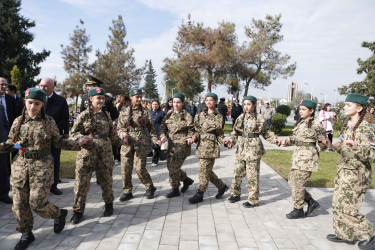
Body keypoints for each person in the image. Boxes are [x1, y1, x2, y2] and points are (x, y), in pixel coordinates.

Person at [0, 88, 91, 249]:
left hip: (42, 167)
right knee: (19, 204)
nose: (32, 107)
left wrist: (77, 143)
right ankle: (26, 233)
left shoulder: (48, 122)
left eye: (37, 103)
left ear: (42, 104)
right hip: (21, 167)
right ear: (25, 103)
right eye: (30, 103)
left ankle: (58, 214)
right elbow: (13, 143)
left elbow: (58, 142)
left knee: (37, 203)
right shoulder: (18, 121)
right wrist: (20, 148)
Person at [325, 94, 375, 249]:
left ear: (359, 108)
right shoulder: (348, 125)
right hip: (344, 171)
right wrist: (332, 146)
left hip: (357, 174)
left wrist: (358, 148)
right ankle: (344, 234)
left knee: (348, 209)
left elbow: (373, 153)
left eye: (348, 105)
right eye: (345, 105)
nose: (344, 107)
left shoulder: (366, 127)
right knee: (338, 205)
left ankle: (369, 234)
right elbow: (344, 148)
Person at [70, 87, 125, 224]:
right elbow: (74, 133)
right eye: (98, 98)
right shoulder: (83, 115)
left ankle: (109, 204)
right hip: (87, 153)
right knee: (81, 183)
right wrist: (82, 138)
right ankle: (78, 211)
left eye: (102, 98)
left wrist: (122, 142)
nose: (101, 100)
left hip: (104, 153)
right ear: (90, 99)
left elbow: (112, 135)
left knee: (106, 180)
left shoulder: (106, 115)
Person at [278, 99, 327, 219]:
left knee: (298, 184)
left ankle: (298, 209)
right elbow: (295, 139)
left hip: (307, 158)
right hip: (297, 156)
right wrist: (284, 142)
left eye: (304, 109)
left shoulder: (316, 124)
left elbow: (323, 144)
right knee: (292, 182)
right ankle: (310, 201)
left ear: (311, 111)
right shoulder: (300, 123)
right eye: (300, 109)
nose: (301, 111)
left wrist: (324, 142)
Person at [227, 95, 278, 207]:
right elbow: (235, 132)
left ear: (254, 105)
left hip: (253, 149)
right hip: (242, 148)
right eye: (244, 104)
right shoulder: (241, 118)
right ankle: (235, 194)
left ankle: (253, 199)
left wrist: (275, 140)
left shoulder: (259, 118)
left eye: (248, 104)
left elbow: (266, 133)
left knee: (252, 175)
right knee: (237, 173)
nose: (246, 107)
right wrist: (231, 141)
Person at [117, 88, 161, 202]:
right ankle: (127, 191)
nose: (139, 99)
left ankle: (150, 187)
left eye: (141, 97)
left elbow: (151, 128)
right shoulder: (124, 111)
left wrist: (155, 139)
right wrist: (123, 134)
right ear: (131, 97)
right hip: (127, 143)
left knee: (139, 168)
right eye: (137, 97)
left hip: (141, 142)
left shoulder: (145, 112)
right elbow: (119, 128)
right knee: (125, 168)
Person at [188, 93, 229, 204]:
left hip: (211, 146)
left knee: (203, 170)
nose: (208, 102)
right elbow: (196, 129)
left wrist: (224, 142)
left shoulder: (219, 116)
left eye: (211, 100)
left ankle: (200, 193)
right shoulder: (201, 115)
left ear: (215, 102)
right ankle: (222, 187)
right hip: (201, 145)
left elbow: (220, 133)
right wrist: (194, 136)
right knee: (207, 171)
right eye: (207, 100)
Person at [39, 78, 70, 195]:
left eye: (46, 86)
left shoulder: (61, 100)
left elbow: (65, 118)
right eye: (41, 86)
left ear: (52, 87)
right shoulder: (37, 100)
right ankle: (43, 185)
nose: (43, 88)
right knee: (41, 162)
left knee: (55, 161)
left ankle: (54, 185)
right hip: (40, 137)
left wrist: (61, 131)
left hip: (56, 136)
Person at [160, 93, 195, 198]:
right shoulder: (169, 115)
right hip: (171, 145)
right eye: (174, 102)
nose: (176, 104)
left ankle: (175, 188)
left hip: (181, 146)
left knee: (173, 168)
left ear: (183, 103)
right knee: (170, 167)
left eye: (178, 102)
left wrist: (190, 138)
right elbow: (162, 127)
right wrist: (162, 136)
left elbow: (192, 130)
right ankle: (186, 179)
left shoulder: (187, 116)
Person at [149, 99, 166, 167]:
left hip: (159, 132)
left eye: (156, 104)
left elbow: (166, 124)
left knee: (156, 146)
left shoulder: (162, 113)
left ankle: (155, 161)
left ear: (159, 105)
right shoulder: (148, 113)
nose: (155, 106)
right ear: (151, 105)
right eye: (153, 104)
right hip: (149, 132)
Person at [0, 103, 11, 204]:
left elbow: (5, 122)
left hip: (2, 143)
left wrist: (6, 137)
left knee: (3, 170)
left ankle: (4, 195)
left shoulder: (1, 106)